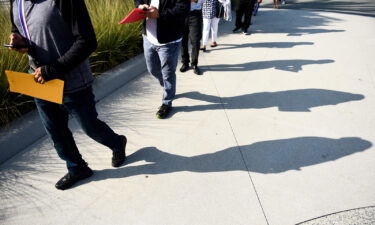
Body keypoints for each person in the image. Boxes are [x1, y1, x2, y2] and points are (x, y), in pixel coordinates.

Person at [9, 0, 127, 190]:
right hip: (40, 81)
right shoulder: (17, 2)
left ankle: (117, 142)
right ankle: (76, 168)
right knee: (56, 131)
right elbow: (19, 28)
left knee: (89, 127)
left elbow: (87, 40)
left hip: (73, 81)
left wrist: (54, 69)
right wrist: (19, 41)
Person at [135, 0, 190, 119]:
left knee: (168, 74)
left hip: (169, 40)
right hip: (148, 37)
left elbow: (183, 9)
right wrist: (140, 5)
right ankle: (167, 87)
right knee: (152, 70)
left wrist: (160, 14)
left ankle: (167, 101)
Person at [180, 0, 203, 75]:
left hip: (195, 15)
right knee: (183, 40)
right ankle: (185, 62)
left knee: (195, 41)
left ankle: (194, 64)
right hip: (182, 14)